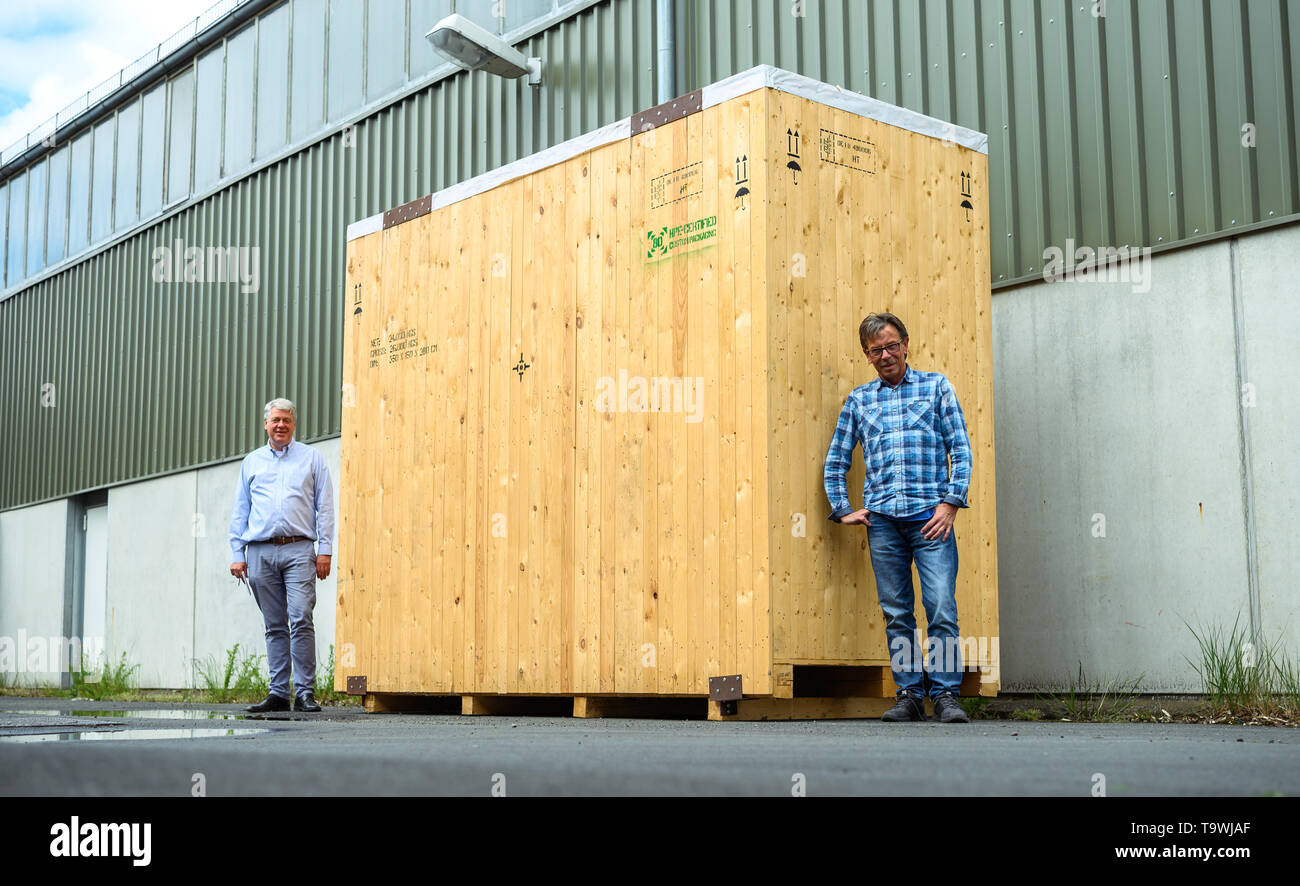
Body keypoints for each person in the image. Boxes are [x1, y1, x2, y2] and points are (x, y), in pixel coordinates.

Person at [823, 312, 973, 723]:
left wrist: (950, 503)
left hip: (931, 518)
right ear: (867, 357)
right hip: (883, 522)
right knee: (897, 613)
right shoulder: (859, 400)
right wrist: (843, 510)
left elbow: (960, 449)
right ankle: (909, 695)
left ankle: (945, 695)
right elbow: (836, 460)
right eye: (876, 351)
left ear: (907, 344)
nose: (886, 355)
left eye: (892, 346)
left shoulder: (936, 387)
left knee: (941, 606)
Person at [228, 398, 335, 713]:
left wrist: (325, 549)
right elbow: (240, 510)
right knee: (274, 624)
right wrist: (237, 552)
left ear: (294, 424)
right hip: (260, 551)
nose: (281, 425)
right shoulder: (252, 462)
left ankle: (304, 693)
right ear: (265, 424)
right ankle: (278, 693)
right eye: (275, 420)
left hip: (299, 549)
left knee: (301, 617)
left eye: (286, 420)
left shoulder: (312, 459)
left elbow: (324, 507)